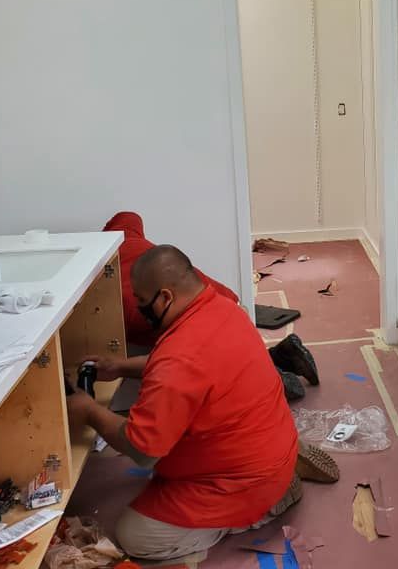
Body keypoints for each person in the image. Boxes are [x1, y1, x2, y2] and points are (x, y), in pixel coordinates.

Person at [66, 245, 314, 560]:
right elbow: (186, 365)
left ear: (165, 297)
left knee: (136, 536)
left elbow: (143, 450)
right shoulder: (221, 308)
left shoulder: (179, 358)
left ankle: (263, 508)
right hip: (268, 448)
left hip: (245, 482)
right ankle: (282, 476)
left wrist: (90, 412)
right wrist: (120, 367)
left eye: (142, 301)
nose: (141, 308)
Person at [102, 211, 318, 400]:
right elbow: (128, 215)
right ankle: (283, 354)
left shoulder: (125, 309)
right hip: (224, 298)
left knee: (223, 373)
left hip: (202, 313)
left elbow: (170, 364)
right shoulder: (122, 235)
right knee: (233, 354)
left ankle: (277, 380)